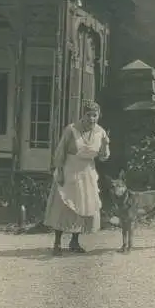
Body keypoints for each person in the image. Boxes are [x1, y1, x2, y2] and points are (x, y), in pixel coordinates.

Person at [44, 100, 110, 255]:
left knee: (82, 206)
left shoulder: (100, 132)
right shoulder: (71, 130)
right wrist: (59, 171)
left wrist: (106, 144)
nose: (92, 119)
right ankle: (57, 243)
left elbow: (103, 157)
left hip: (87, 172)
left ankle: (75, 241)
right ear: (83, 115)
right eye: (89, 115)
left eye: (95, 115)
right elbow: (60, 152)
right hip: (70, 170)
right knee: (64, 207)